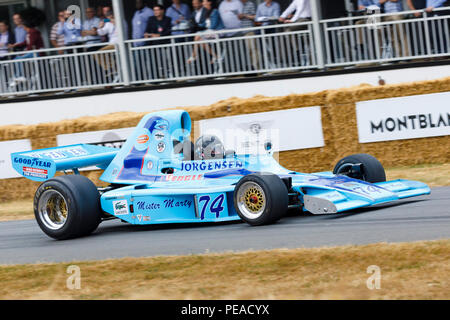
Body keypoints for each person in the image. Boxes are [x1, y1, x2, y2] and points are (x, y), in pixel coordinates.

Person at [187, 0, 224, 65]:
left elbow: (213, 25)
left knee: (198, 35)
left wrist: (203, 31)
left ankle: (194, 55)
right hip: (211, 32)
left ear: (209, 2)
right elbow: (204, 24)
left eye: (204, 1)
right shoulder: (207, 12)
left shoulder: (214, 11)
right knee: (200, 40)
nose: (203, 3)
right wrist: (196, 25)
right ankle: (216, 56)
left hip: (218, 31)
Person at [239, 0, 258, 70]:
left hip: (250, 30)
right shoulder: (240, 5)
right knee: (248, 50)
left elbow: (255, 16)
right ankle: (251, 67)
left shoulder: (250, 4)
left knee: (253, 49)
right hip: (242, 31)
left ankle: (256, 67)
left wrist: (244, 15)